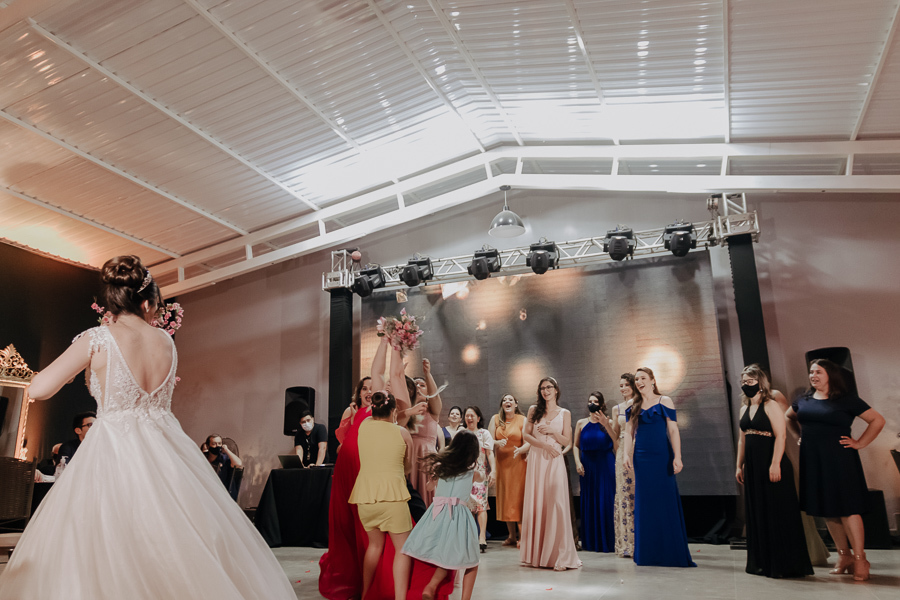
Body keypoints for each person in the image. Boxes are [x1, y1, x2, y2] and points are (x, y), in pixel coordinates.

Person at [0, 255, 295, 599]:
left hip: (113, 446)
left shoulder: (98, 339)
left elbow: (38, 389)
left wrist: (75, 372)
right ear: (147, 301)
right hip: (167, 445)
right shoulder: (165, 342)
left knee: (107, 539)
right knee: (176, 537)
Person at [786, 359, 885, 582]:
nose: (813, 376)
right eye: (811, 372)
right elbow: (788, 417)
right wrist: (797, 437)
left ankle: (861, 559)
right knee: (828, 509)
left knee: (848, 508)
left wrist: (859, 443)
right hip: (813, 461)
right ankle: (844, 557)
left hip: (840, 460)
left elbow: (877, 420)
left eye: (818, 372)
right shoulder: (804, 399)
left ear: (830, 375)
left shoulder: (846, 400)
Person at [735, 365, 812, 578]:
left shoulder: (771, 405)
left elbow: (781, 436)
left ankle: (783, 564)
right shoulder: (743, 408)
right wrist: (738, 465)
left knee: (776, 511)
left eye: (750, 381)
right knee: (758, 511)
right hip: (751, 465)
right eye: (743, 381)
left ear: (760, 382)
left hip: (770, 462)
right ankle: (761, 562)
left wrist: (775, 463)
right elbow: (742, 439)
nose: (745, 384)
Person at [624, 367, 696, 567]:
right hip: (641, 458)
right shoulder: (632, 404)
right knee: (645, 503)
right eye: (636, 379)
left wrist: (678, 456)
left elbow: (673, 430)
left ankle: (670, 552)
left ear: (652, 380)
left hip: (662, 456)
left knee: (665, 500)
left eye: (643, 378)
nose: (639, 382)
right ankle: (648, 553)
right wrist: (625, 455)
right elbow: (629, 432)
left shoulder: (665, 401)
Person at [399, 430, 482, 600]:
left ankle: (431, 586)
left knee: (445, 556)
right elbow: (481, 478)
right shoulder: (472, 473)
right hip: (458, 518)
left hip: (437, 514)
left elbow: (430, 488)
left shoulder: (441, 469)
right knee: (472, 562)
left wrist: (434, 480)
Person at [350, 389, 415, 600]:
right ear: (394, 411)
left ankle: (366, 593)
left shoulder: (363, 426)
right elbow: (408, 467)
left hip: (365, 497)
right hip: (393, 497)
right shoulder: (403, 433)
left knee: (374, 546)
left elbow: (371, 413)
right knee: (402, 550)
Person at [520, 377, 582, 570]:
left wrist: (552, 433)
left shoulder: (565, 413)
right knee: (539, 502)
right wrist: (544, 444)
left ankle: (560, 555)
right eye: (542, 388)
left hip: (554, 459)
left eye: (549, 387)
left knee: (557, 503)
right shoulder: (533, 410)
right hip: (538, 458)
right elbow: (526, 435)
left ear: (556, 390)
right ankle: (538, 555)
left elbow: (566, 441)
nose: (545, 391)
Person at [574, 391, 617, 553]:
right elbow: (576, 445)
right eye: (589, 401)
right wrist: (578, 462)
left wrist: (606, 425)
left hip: (605, 464)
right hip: (587, 466)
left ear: (601, 404)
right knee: (590, 501)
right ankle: (590, 541)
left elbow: (616, 444)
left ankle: (609, 540)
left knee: (606, 500)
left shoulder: (609, 422)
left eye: (595, 401)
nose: (592, 403)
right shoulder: (581, 423)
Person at [488, 394, 529, 547]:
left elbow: (528, 442)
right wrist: (497, 442)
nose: (507, 402)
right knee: (506, 499)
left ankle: (522, 537)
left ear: (516, 404)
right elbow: (488, 440)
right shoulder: (495, 419)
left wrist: (520, 450)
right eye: (504, 400)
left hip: (518, 464)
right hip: (502, 465)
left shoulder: (522, 420)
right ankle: (511, 536)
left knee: (518, 499)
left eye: (510, 400)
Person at [408, 359, 444, 505]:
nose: (418, 387)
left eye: (422, 385)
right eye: (415, 384)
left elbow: (435, 395)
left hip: (426, 457)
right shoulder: (405, 410)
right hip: (408, 456)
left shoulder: (432, 409)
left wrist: (427, 374)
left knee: (427, 497)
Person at [611, 373, 636, 557]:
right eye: (620, 385)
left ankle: (643, 540)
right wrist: (605, 424)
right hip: (622, 453)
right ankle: (627, 543)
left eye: (626, 384)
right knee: (624, 493)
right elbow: (614, 437)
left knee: (638, 493)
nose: (623, 388)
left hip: (640, 450)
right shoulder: (616, 408)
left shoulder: (641, 404)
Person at [463, 406, 495, 552]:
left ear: (478, 418)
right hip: (464, 474)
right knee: (468, 506)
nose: (469, 418)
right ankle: (470, 536)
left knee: (481, 505)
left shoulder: (484, 433)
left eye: (472, 415)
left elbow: (490, 454)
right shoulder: (461, 433)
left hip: (480, 473)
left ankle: (482, 537)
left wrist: (493, 471)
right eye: (467, 415)